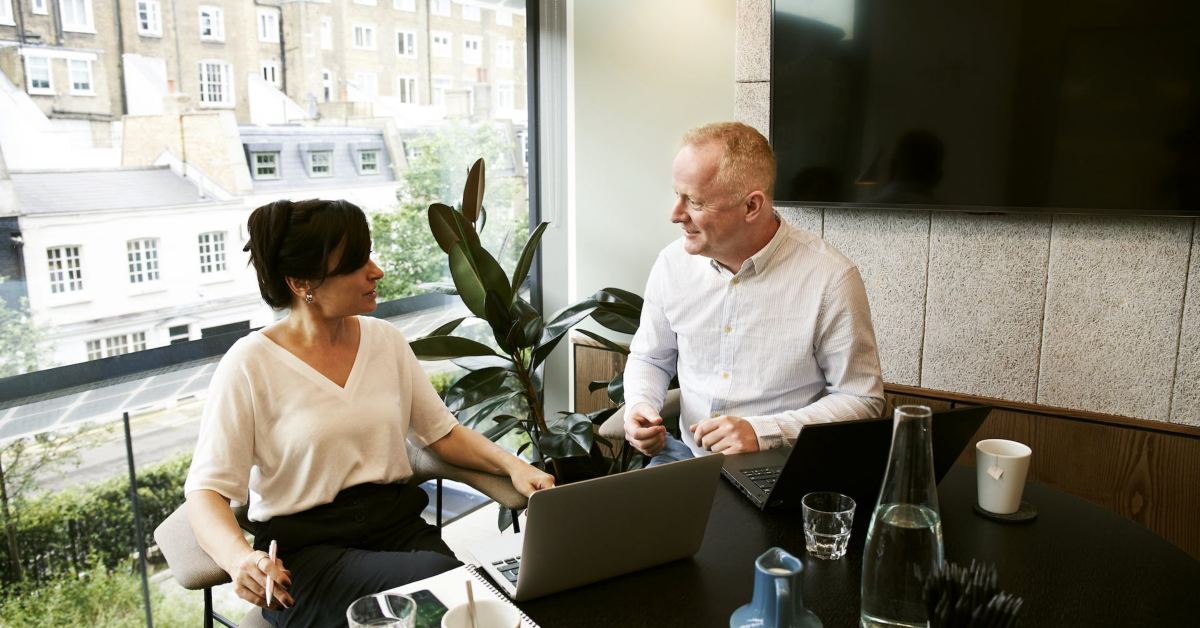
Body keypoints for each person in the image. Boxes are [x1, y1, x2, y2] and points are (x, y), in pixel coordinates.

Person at [184, 199, 554, 628]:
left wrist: (514, 466)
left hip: (399, 530)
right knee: (442, 591)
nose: (376, 270)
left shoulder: (385, 341)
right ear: (303, 281)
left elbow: (441, 434)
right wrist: (238, 559)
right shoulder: (249, 363)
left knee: (473, 606)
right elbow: (205, 492)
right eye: (357, 263)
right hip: (309, 558)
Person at [623, 122, 885, 463]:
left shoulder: (831, 278)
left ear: (751, 207)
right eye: (677, 194)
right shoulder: (671, 264)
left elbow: (862, 399)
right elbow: (650, 357)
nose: (675, 215)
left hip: (781, 465)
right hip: (684, 457)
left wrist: (764, 432)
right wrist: (641, 404)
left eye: (696, 202)